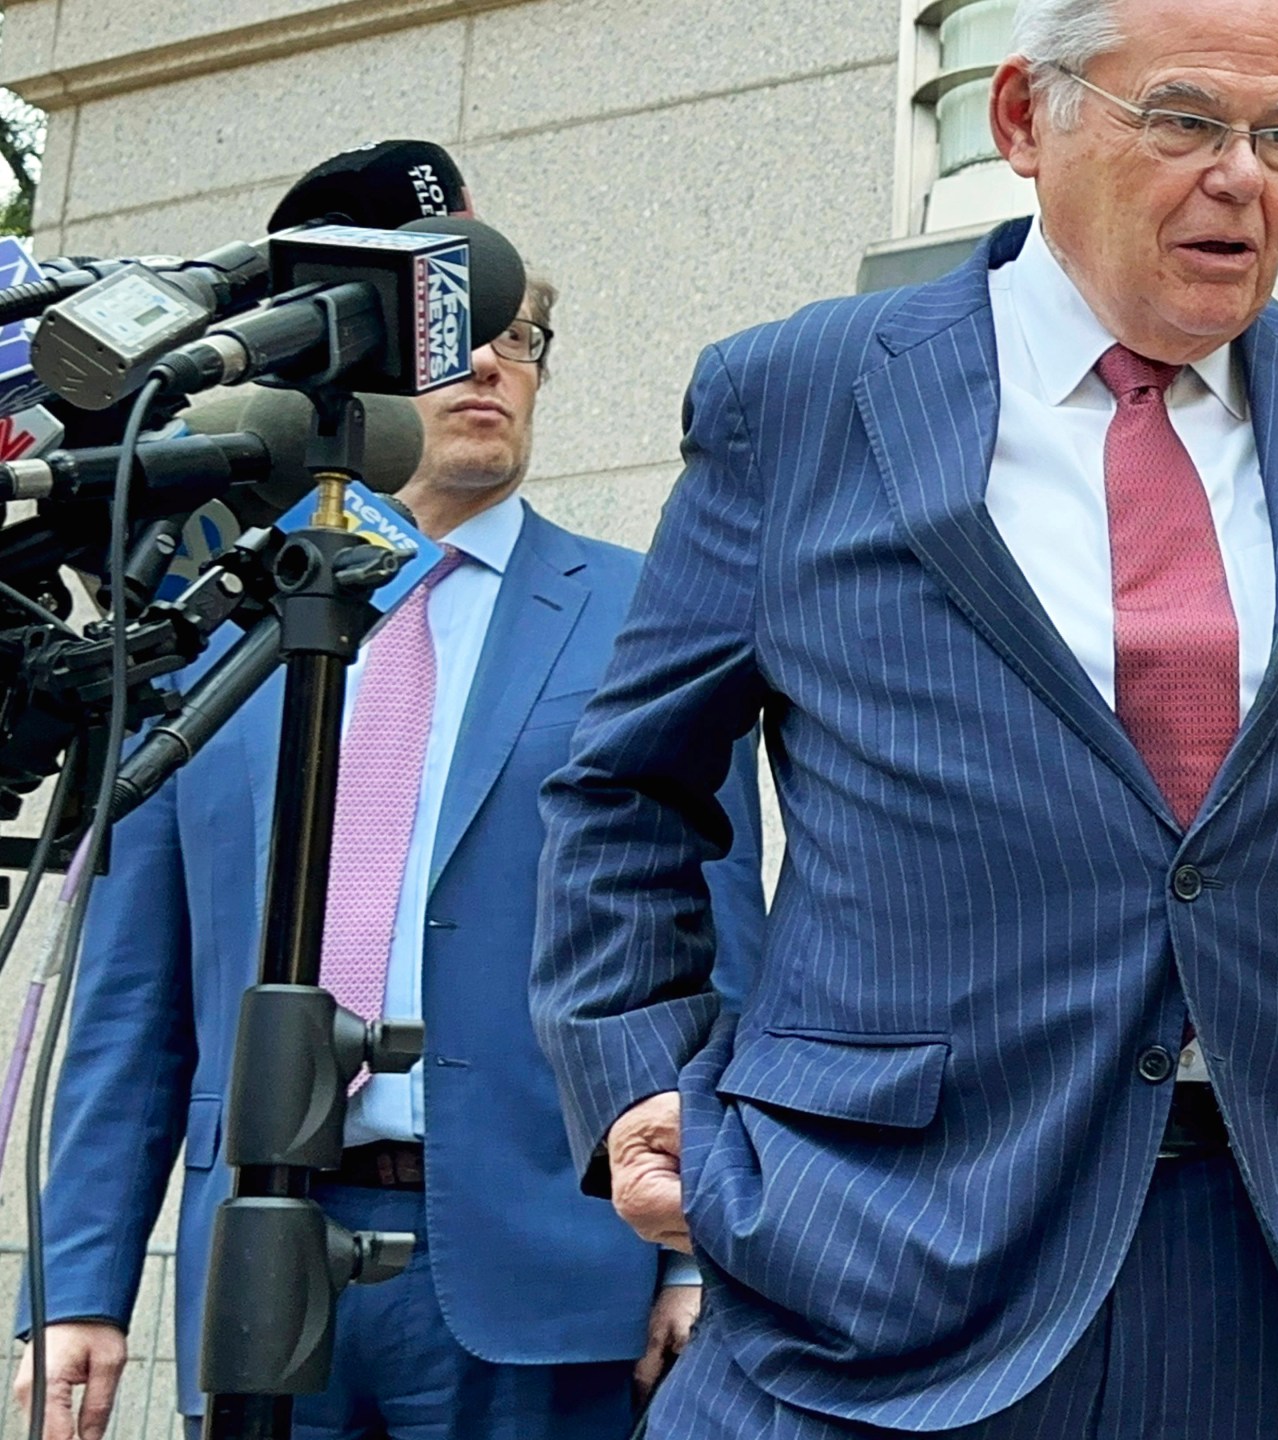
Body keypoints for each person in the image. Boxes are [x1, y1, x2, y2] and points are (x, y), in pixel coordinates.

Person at [528, 0, 1278, 1435]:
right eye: (1187, 121)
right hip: (869, 1265)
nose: (1243, 176)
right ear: (1024, 119)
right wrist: (641, 1081)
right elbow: (628, 789)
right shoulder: (806, 398)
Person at [14, 279, 768, 1440]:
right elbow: (133, 998)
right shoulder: (208, 630)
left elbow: (716, 948)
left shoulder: (644, 615)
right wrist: (77, 1287)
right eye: (455, 341)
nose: (490, 368)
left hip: (552, 1262)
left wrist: (699, 1256)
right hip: (258, 1257)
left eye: (521, 343)